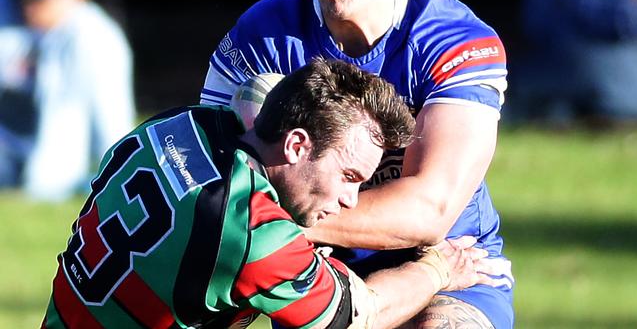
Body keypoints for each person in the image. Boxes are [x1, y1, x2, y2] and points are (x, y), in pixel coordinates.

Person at [200, 0, 513, 327]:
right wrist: (258, 234)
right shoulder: (261, 37)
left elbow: (430, 209)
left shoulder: (458, 43)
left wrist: (265, 225)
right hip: (305, 264)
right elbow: (208, 180)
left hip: (448, 264)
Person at [42, 58, 502, 329]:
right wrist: (439, 268)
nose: (350, 199)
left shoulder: (173, 126)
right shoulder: (253, 233)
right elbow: (360, 315)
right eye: (348, 175)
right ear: (297, 143)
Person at [0, 0, 135, 200]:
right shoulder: (28, 31)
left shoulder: (93, 36)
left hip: (62, 179)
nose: (30, 4)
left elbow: (112, 130)